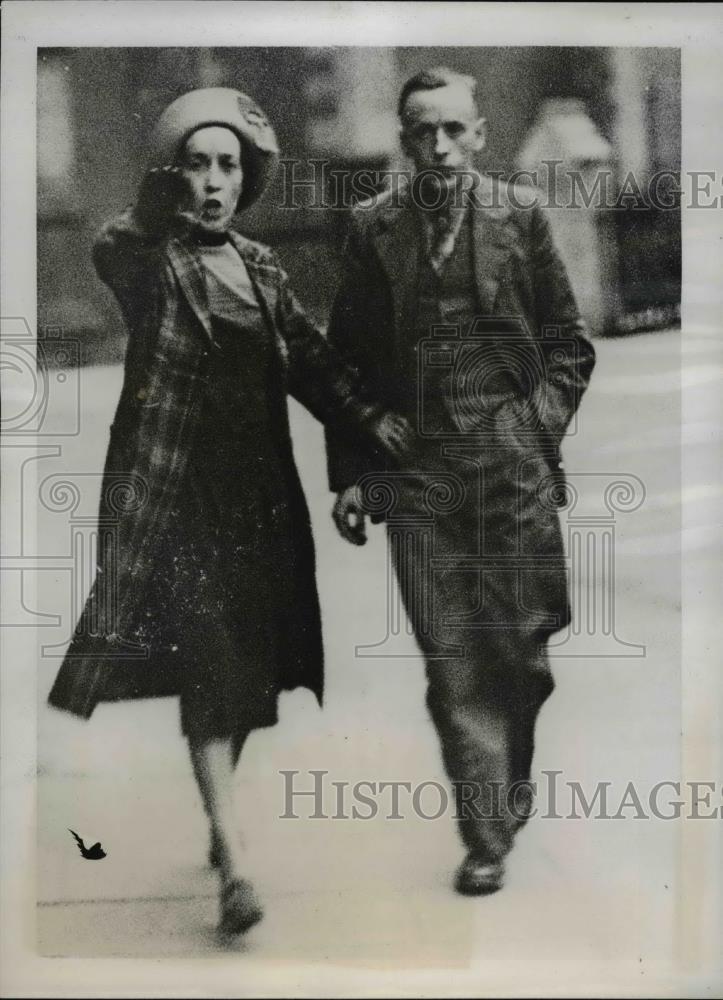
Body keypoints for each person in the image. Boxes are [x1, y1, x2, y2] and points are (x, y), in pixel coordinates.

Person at [47, 87, 412, 936]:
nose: (213, 181)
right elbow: (115, 240)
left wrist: (372, 422)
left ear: (245, 180)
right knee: (210, 669)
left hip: (259, 502)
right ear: (174, 178)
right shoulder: (146, 261)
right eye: (197, 165)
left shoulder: (261, 268)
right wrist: (154, 199)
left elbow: (315, 367)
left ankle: (222, 821)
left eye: (227, 167)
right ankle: (235, 861)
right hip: (176, 501)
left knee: (245, 677)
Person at [326, 67, 596, 895]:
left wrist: (531, 426)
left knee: (517, 652)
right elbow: (347, 361)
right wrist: (356, 467)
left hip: (508, 466)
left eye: (452, 129)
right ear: (403, 141)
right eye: (421, 132)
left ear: (477, 135)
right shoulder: (373, 228)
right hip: (415, 476)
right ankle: (483, 836)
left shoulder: (519, 216)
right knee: (451, 666)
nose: (437, 146)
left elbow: (567, 347)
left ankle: (500, 793)